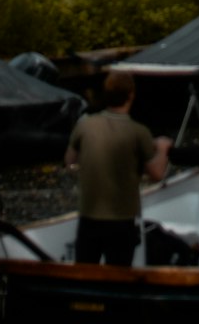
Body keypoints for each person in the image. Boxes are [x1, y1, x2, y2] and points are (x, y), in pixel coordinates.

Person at [64, 68, 172, 266]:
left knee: (85, 272)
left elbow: (70, 160)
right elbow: (157, 173)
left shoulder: (85, 125)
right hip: (121, 222)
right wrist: (163, 148)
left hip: (89, 217)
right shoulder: (139, 132)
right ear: (131, 96)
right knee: (118, 274)